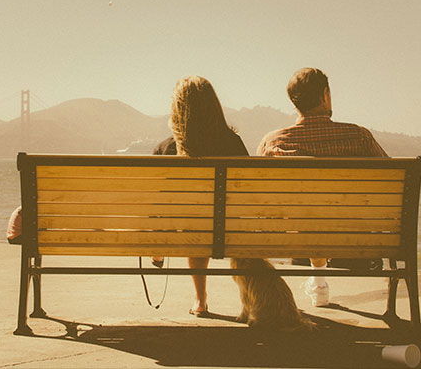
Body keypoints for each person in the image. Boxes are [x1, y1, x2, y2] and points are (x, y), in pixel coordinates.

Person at [257, 67, 387, 307]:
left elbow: (259, 198)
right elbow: (390, 188)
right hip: (355, 246)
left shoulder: (272, 143)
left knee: (306, 227)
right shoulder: (359, 137)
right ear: (325, 95)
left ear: (294, 102)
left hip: (298, 245)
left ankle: (317, 277)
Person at [152, 76, 249, 317]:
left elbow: (156, 201)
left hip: (187, 229)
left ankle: (200, 299)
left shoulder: (166, 149)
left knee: (194, 224)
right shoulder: (232, 143)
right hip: (231, 228)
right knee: (210, 221)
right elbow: (247, 192)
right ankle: (248, 302)